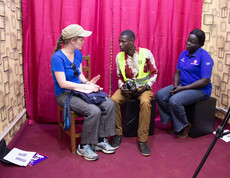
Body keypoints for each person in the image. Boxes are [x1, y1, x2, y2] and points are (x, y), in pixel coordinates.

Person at [51, 24, 116, 161]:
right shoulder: (57, 58)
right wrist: (84, 88)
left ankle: (99, 140)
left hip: (79, 90)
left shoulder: (78, 54)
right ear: (72, 41)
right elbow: (63, 83)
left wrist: (87, 83)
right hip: (65, 94)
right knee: (93, 110)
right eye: (81, 39)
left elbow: (79, 75)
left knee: (109, 103)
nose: (83, 41)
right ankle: (84, 146)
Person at [155, 29, 214, 138]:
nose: (188, 43)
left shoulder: (205, 57)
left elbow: (205, 80)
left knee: (174, 100)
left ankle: (185, 125)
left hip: (200, 89)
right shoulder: (183, 54)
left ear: (200, 44)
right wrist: (176, 85)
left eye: (192, 42)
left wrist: (182, 89)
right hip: (183, 85)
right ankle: (173, 120)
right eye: (188, 40)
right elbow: (177, 72)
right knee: (160, 95)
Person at [111, 30, 158, 156]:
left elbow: (155, 73)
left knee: (145, 103)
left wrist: (147, 86)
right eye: (119, 41)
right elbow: (119, 76)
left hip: (144, 88)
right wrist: (122, 87)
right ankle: (117, 133)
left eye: (123, 41)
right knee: (113, 101)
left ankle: (142, 140)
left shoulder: (146, 53)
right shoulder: (118, 57)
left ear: (131, 42)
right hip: (127, 88)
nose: (120, 44)